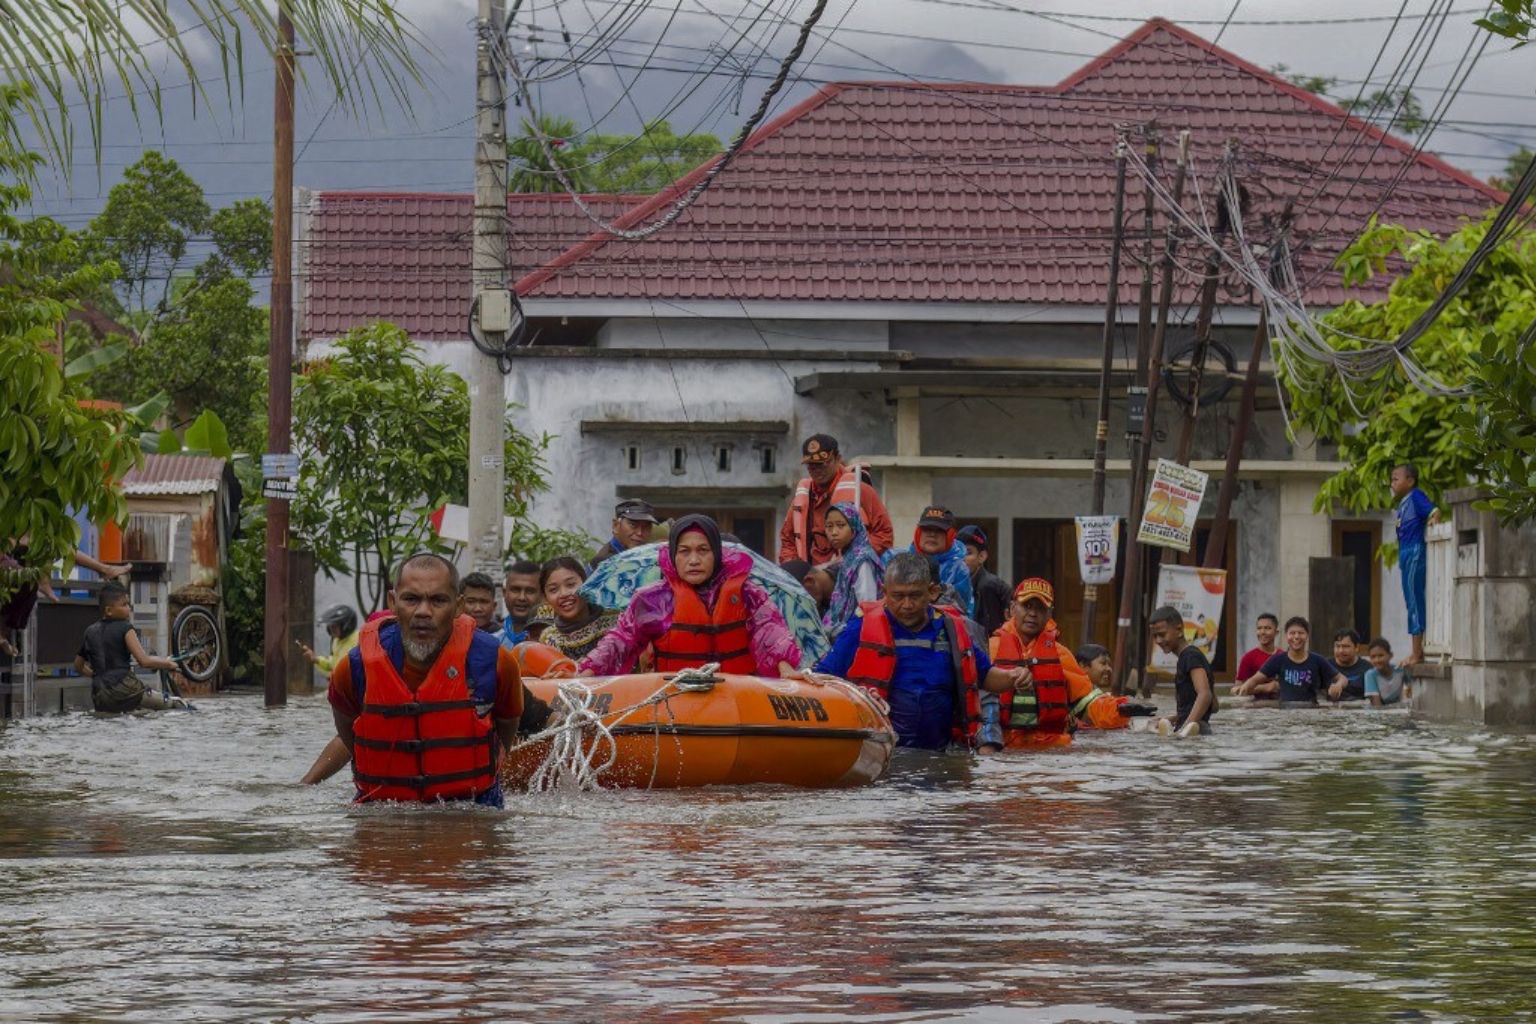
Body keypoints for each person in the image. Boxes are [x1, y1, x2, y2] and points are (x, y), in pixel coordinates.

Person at [323, 553, 530, 807]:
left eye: (438, 600)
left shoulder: (496, 661)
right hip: (383, 807)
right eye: (411, 599)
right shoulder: (355, 666)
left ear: (458, 606)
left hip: (473, 804)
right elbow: (346, 725)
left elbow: (508, 722)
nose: (423, 611)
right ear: (393, 602)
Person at [817, 552, 1016, 752]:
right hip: (881, 753)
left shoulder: (951, 629)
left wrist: (1013, 677)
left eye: (915, 595)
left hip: (941, 754)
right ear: (884, 592)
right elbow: (824, 676)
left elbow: (986, 676)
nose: (907, 605)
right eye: (898, 596)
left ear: (932, 592)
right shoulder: (861, 627)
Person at [575, 514, 802, 677]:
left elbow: (770, 630)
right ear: (674, 555)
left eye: (703, 550)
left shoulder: (748, 593)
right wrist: (588, 670)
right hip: (677, 699)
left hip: (739, 698)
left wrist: (786, 669)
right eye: (684, 551)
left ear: (716, 554)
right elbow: (620, 640)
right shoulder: (652, 599)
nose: (694, 560)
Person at [987, 577, 1137, 745]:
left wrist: (1122, 710)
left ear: (1049, 613)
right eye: (1027, 606)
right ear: (1013, 608)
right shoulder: (990, 649)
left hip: (1051, 751)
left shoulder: (1061, 654)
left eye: (1040, 608)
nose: (1033, 614)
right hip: (1001, 749)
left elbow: (1088, 704)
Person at [779, 434, 894, 565]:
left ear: (837, 459)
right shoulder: (803, 497)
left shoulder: (860, 490)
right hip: (813, 579)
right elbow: (787, 539)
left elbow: (884, 534)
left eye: (822, 464)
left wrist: (854, 557)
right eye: (811, 466)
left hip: (850, 574)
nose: (816, 470)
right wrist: (795, 567)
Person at [72, 582, 180, 712]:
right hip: (126, 690)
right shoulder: (125, 628)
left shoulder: (90, 631)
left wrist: (97, 676)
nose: (128, 608)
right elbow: (144, 661)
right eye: (124, 605)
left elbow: (78, 666)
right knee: (174, 705)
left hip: (100, 695)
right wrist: (168, 664)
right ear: (109, 611)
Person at [1391, 463, 1439, 667]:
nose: (1392, 483)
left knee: (1414, 601)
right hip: (1405, 552)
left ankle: (1416, 653)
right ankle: (1415, 651)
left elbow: (1434, 511)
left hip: (1414, 552)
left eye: (1396, 479)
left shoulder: (1416, 496)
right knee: (1410, 601)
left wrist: (1433, 521)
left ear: (1410, 481)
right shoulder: (1402, 503)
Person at [1232, 616, 1339, 706]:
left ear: (1307, 636)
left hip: (1310, 708)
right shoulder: (1278, 660)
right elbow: (1253, 680)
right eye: (1292, 633)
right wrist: (1245, 688)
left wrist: (1337, 686)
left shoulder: (1317, 659)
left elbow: (1341, 678)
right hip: (1283, 709)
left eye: (1300, 633)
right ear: (1286, 636)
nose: (1296, 637)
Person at [530, 556, 620, 662]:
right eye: (553, 590)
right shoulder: (549, 638)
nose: (563, 594)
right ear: (545, 598)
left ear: (586, 584)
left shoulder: (617, 621)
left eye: (571, 585)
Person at [894, 506, 974, 619]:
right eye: (927, 529)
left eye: (939, 530)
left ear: (950, 535)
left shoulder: (959, 569)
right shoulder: (897, 560)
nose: (932, 534)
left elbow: (961, 612)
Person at [1149, 604, 1216, 736]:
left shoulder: (1190, 656)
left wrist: (1183, 731)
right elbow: (1214, 705)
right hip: (1199, 730)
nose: (1158, 640)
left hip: (1196, 732)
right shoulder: (1190, 656)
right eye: (1154, 636)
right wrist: (1172, 718)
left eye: (1162, 634)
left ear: (1179, 630)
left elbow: (1205, 695)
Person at [822, 502, 884, 637]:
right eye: (829, 526)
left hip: (857, 635)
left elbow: (868, 605)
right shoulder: (848, 557)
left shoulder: (862, 560)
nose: (834, 532)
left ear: (854, 526)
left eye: (841, 525)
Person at [956, 525, 1009, 637]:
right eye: (958, 552)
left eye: (968, 553)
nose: (961, 558)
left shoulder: (990, 586)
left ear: (982, 557)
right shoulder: (954, 583)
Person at [591, 499, 660, 568]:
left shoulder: (648, 557)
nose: (640, 533)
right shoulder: (605, 563)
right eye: (633, 525)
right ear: (616, 525)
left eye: (646, 527)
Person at [298, 604, 359, 677]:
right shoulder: (338, 640)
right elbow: (333, 664)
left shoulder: (358, 641)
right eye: (329, 626)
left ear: (346, 625)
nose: (331, 629)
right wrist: (316, 659)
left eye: (334, 626)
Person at [501, 560, 541, 648]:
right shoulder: (493, 642)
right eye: (515, 590)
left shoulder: (552, 641)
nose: (522, 597)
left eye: (530, 591)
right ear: (504, 593)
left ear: (542, 595)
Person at [1236, 613, 1280, 689]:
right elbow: (1238, 688)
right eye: (1259, 628)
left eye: (1267, 628)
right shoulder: (1248, 658)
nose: (1262, 632)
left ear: (1276, 632)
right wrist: (1264, 688)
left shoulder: (1282, 655)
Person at [1326, 629, 1370, 702]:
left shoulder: (1367, 668)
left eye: (1345, 646)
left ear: (1357, 647)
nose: (1341, 651)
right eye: (1337, 646)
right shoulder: (1325, 665)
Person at [1363, 637, 1407, 707]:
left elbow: (1411, 691)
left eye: (1381, 655)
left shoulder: (1400, 671)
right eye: (1373, 657)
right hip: (1378, 711)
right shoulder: (1370, 675)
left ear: (1390, 655)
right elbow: (1376, 705)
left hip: (1397, 709)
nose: (1377, 660)